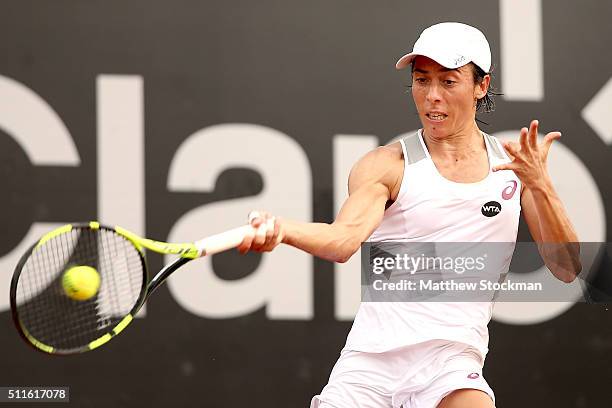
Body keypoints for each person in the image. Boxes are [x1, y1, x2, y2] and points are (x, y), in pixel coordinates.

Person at [237, 22, 580, 408]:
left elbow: (566, 268)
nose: (432, 97)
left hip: (451, 364)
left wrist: (540, 185)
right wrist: (281, 229)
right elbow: (343, 241)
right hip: (369, 369)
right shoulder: (387, 165)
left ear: (481, 86)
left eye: (448, 82)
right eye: (422, 80)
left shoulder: (516, 168)